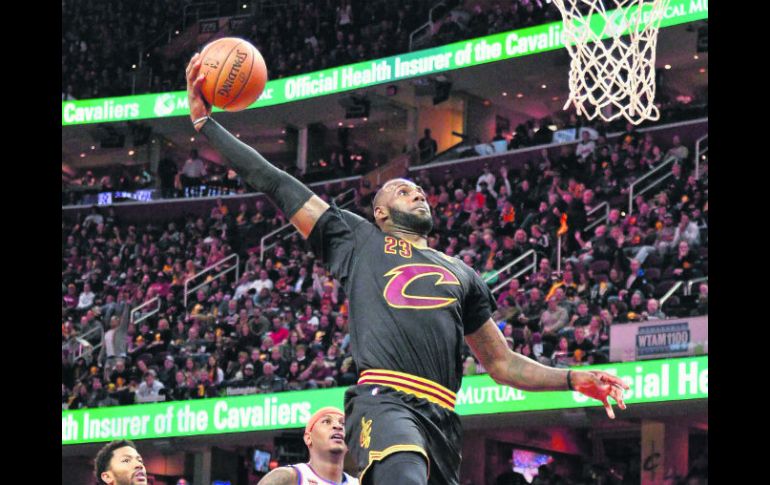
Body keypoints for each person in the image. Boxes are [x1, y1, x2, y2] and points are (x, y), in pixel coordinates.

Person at [186, 55, 628, 485]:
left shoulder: (462, 273)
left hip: (442, 416)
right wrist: (208, 126)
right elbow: (278, 183)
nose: (417, 194)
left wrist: (572, 377)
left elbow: (503, 363)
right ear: (379, 212)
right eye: (403, 190)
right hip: (385, 401)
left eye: (419, 191)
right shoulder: (358, 240)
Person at [257, 407, 358, 484]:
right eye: (326, 421)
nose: (338, 426)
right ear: (308, 438)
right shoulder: (289, 476)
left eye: (343, 424)